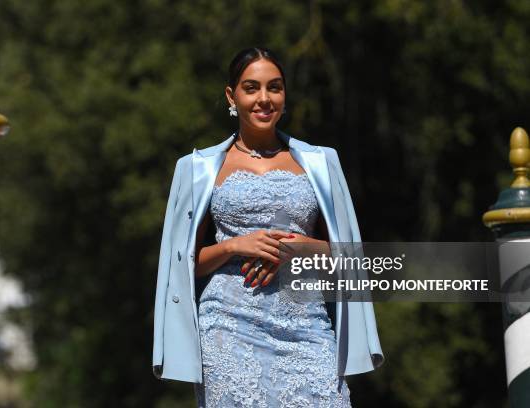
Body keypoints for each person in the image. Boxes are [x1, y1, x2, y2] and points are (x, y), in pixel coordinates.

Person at [152, 47, 384, 407]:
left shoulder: (322, 162)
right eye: (252, 88)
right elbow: (181, 264)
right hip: (228, 325)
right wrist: (234, 246)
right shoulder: (196, 169)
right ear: (232, 96)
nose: (264, 99)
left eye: (274, 87)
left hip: (306, 325)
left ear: (284, 95)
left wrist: (301, 247)